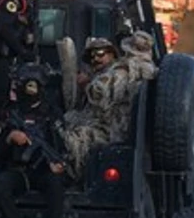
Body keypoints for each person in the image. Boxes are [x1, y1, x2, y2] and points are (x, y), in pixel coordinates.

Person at [0, 63, 67, 218]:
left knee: (56, 184)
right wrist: (9, 138)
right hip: (19, 170)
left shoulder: (52, 114)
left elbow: (62, 145)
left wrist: (56, 162)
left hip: (44, 169)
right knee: (0, 184)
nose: (30, 90)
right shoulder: (10, 113)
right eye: (26, 85)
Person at [62, 32, 158, 181]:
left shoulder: (124, 70)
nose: (96, 59)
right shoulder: (118, 71)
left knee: (67, 139)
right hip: (106, 124)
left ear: (113, 54)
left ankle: (71, 177)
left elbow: (99, 92)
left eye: (100, 53)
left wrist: (87, 84)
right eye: (92, 57)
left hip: (113, 129)